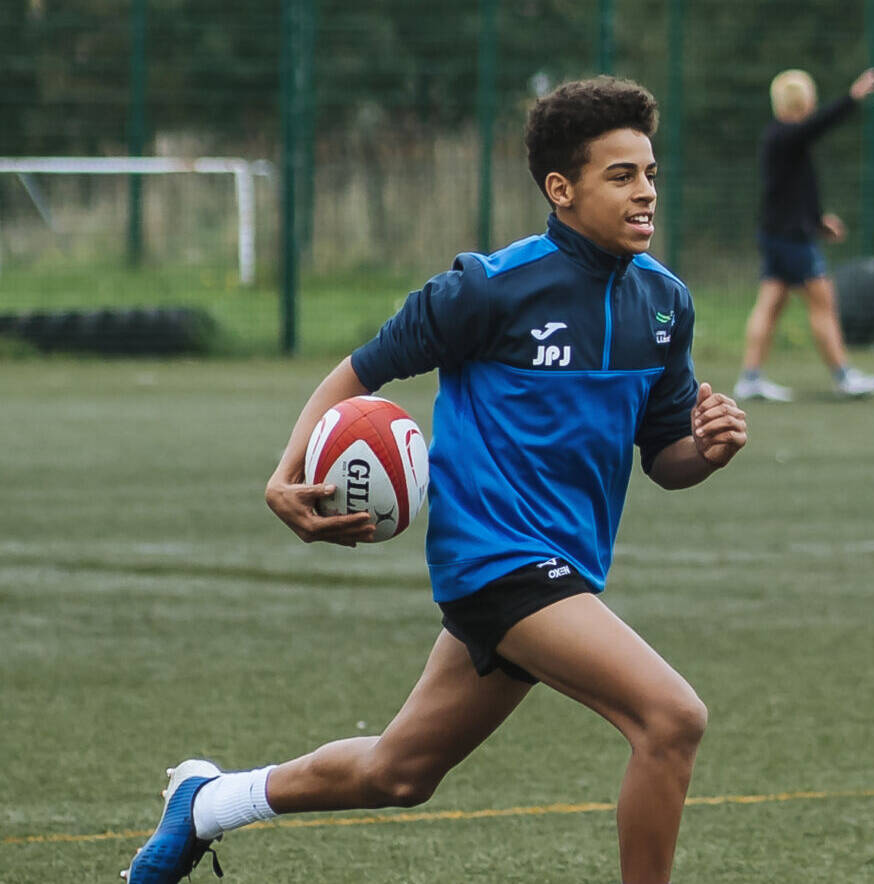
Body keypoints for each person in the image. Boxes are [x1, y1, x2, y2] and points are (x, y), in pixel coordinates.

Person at [121, 77, 748, 884]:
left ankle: (208, 803)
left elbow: (665, 459)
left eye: (651, 173)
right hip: (496, 563)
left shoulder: (665, 305)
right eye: (621, 175)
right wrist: (284, 475)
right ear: (561, 189)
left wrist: (710, 448)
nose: (646, 193)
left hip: (567, 573)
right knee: (672, 719)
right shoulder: (489, 289)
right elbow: (361, 373)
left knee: (400, 773)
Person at [734, 67, 874, 402]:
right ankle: (844, 376)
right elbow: (817, 127)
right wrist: (852, 98)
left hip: (778, 232)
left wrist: (817, 221)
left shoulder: (783, 140)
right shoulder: (786, 136)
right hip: (790, 238)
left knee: (770, 304)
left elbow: (794, 190)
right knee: (823, 304)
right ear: (803, 101)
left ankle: (750, 378)